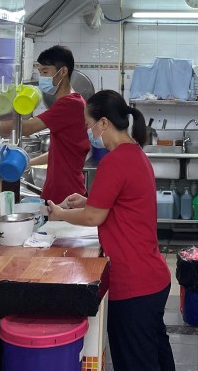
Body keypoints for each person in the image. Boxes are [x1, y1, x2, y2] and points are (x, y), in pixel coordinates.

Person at [48, 90, 174, 371]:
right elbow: (120, 203)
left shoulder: (114, 161)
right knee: (156, 356)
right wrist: (87, 200)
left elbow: (94, 216)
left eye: (89, 125)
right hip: (151, 277)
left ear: (103, 123)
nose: (88, 132)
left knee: (136, 363)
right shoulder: (135, 154)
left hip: (132, 284)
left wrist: (60, 214)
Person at [19, 45, 88, 204]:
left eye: (45, 72)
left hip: (65, 194)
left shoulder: (69, 104)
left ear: (63, 71)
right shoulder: (73, 101)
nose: (41, 78)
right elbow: (59, 152)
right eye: (40, 72)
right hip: (65, 190)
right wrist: (28, 163)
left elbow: (27, 128)